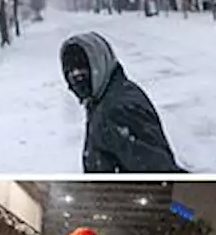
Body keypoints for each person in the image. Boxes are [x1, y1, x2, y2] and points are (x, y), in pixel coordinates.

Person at [60, 32, 184, 173]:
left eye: (82, 67)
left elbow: (159, 175)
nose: (76, 76)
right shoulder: (101, 99)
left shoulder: (118, 110)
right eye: (70, 71)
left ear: (99, 62)